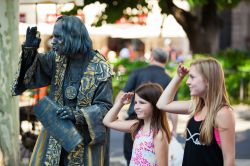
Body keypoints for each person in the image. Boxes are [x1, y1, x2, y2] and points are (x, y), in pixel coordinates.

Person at [12, 15, 113, 166]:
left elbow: (105, 108)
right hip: (55, 135)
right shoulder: (57, 58)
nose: (53, 41)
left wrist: (77, 115)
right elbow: (29, 77)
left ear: (73, 36)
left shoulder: (100, 67)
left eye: (58, 37)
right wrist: (29, 51)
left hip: (85, 141)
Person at [157, 58, 235, 166]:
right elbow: (162, 104)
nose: (188, 82)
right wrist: (178, 77)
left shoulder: (222, 113)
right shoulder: (197, 106)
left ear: (208, 80)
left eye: (192, 77)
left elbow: (229, 159)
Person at [116, 48, 178, 165]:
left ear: (151, 58)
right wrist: (173, 129)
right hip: (155, 122)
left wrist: (117, 112)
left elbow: (122, 94)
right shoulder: (169, 80)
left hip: (134, 121)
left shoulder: (138, 72)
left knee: (131, 158)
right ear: (166, 61)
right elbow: (173, 108)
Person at [103, 83, 171, 166]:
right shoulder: (137, 126)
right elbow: (107, 121)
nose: (136, 107)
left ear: (155, 104)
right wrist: (120, 103)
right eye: (135, 102)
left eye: (142, 102)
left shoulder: (158, 135)